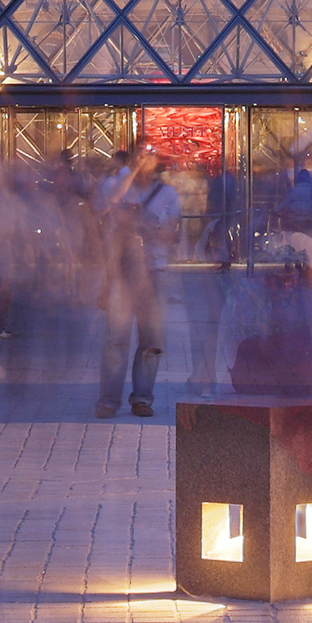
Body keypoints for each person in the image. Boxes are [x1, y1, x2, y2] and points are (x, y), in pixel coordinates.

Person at [96, 147, 179, 421]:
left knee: (151, 338)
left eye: (151, 154)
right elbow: (109, 201)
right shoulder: (117, 185)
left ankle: (143, 397)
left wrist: (141, 222)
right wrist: (131, 173)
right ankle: (108, 400)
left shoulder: (167, 194)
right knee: (116, 338)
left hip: (154, 271)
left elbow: (169, 233)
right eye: (140, 154)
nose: (146, 159)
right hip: (123, 271)